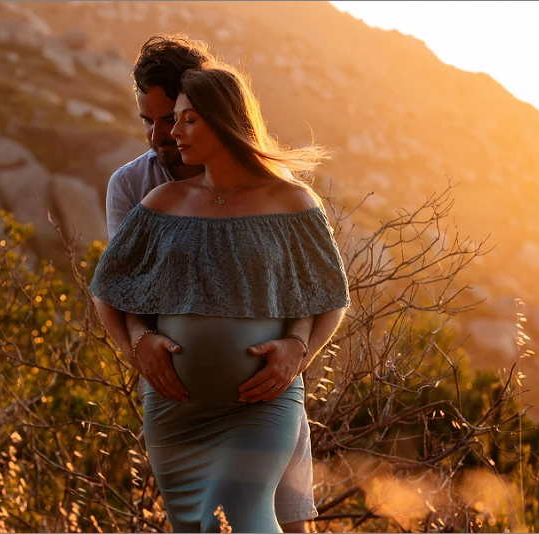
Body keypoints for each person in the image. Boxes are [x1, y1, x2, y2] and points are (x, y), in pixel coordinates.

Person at [90, 60, 350, 532]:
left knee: (244, 513)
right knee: (199, 526)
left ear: (225, 120)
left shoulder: (293, 201)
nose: (170, 133)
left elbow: (329, 295)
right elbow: (108, 289)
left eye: (186, 119)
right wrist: (136, 345)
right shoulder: (157, 200)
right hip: (175, 410)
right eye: (166, 121)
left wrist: (299, 347)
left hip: (260, 403)